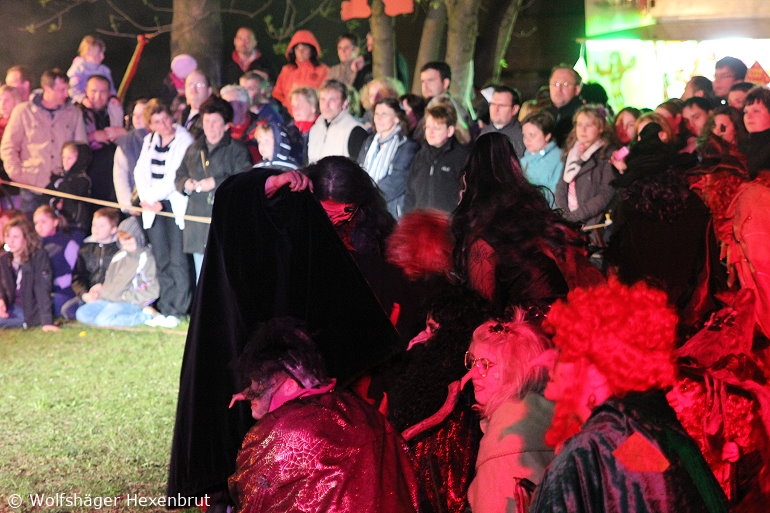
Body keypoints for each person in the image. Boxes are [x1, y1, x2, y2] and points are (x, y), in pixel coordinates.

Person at [530, 278, 729, 513]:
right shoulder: (633, 435)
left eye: (564, 352)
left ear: (597, 374)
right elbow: (654, 492)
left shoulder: (595, 446)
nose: (548, 362)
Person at [227, 317, 420, 513]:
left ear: (289, 384)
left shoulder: (282, 431)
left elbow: (254, 499)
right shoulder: (359, 411)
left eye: (258, 382)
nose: (249, 392)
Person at [452, 132, 600, 316]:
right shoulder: (534, 219)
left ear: (472, 187)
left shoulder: (484, 240)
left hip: (530, 326)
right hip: (565, 320)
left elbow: (482, 309)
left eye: (464, 187)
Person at [466, 314, 555, 513]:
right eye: (472, 362)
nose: (473, 374)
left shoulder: (507, 436)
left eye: (485, 364)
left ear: (517, 369)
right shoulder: (545, 412)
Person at [175, 96, 251, 281]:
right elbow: (179, 175)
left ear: (226, 125)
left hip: (225, 223)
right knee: (202, 277)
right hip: (197, 223)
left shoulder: (237, 150)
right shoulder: (194, 149)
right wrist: (185, 183)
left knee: (226, 277)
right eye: (206, 121)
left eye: (215, 121)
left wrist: (217, 183)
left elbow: (245, 180)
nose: (210, 126)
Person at [133, 98, 194, 328]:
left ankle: (180, 308)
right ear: (151, 125)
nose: (164, 125)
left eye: (166, 119)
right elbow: (140, 171)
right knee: (162, 258)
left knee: (178, 259)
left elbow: (174, 175)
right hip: (153, 206)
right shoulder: (149, 140)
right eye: (157, 122)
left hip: (173, 204)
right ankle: (167, 307)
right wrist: (147, 199)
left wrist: (154, 198)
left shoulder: (184, 140)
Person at [1, 68, 87, 214]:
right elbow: (8, 146)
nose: (66, 94)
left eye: (67, 89)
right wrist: (17, 174)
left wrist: (71, 180)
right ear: (47, 88)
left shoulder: (74, 113)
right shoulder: (23, 111)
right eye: (61, 90)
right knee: (30, 226)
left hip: (62, 189)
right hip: (32, 186)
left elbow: (82, 150)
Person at [75, 216, 159, 327]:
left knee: (104, 320)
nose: (126, 246)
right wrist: (102, 289)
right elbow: (110, 280)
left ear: (139, 238)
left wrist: (127, 297)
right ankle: (112, 319)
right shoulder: (119, 256)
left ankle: (146, 316)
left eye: (129, 241)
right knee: (82, 313)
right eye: (123, 242)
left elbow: (153, 289)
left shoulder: (146, 258)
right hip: (108, 300)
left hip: (130, 302)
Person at [556, 104, 618, 228]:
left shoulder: (607, 154)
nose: (582, 130)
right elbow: (561, 186)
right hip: (570, 220)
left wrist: (575, 216)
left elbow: (606, 194)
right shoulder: (572, 152)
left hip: (593, 222)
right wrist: (564, 214)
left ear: (601, 128)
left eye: (589, 125)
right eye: (579, 124)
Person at [357, 97, 419, 219]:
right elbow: (359, 170)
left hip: (390, 211)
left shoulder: (406, 146)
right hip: (365, 209)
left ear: (397, 118)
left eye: (384, 114)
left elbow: (396, 181)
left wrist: (368, 196)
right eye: (377, 114)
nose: (379, 118)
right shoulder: (369, 142)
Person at [403, 102, 469, 214]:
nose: (430, 132)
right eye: (428, 127)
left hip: (447, 221)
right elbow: (410, 193)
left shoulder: (462, 157)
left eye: (437, 128)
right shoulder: (420, 156)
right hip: (420, 220)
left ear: (450, 131)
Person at [61, 207, 120, 320]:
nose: (96, 229)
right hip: (90, 295)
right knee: (67, 310)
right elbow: (77, 277)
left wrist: (104, 288)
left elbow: (121, 277)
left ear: (113, 229)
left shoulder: (119, 249)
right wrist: (84, 294)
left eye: (102, 226)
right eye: (94, 225)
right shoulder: (85, 249)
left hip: (110, 294)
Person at [0, 216, 58, 331]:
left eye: (15, 237)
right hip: (11, 306)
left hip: (29, 310)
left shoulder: (38, 257)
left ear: (26, 238)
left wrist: (46, 321)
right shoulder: (4, 259)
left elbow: (42, 289)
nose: (11, 241)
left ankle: (25, 322)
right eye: (8, 236)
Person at [33, 205, 79, 317]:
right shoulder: (34, 245)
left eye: (43, 222)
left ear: (55, 222)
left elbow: (74, 273)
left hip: (61, 292)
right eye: (36, 223)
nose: (39, 226)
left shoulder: (68, 244)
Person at [307, 79, 367, 163]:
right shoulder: (315, 129)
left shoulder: (355, 131)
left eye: (332, 100)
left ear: (345, 103)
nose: (326, 105)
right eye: (323, 99)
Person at [271, 29, 328, 112]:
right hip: (289, 115)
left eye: (305, 48)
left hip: (313, 114)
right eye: (297, 48)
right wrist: (286, 106)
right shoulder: (287, 70)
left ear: (312, 50)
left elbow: (326, 95)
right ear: (293, 51)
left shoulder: (322, 70)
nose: (301, 52)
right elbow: (277, 94)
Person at [45, 141, 92, 237]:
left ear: (79, 159)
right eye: (63, 157)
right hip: (59, 223)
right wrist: (55, 202)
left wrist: (61, 182)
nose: (65, 162)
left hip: (76, 224)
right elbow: (47, 195)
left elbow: (72, 195)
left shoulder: (83, 180)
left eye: (69, 158)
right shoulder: (59, 178)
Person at [520, 110, 563, 206]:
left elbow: (557, 194)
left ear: (547, 136)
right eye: (524, 135)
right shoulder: (526, 157)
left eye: (532, 135)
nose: (527, 140)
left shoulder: (558, 159)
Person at [113, 98, 149, 213]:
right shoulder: (126, 143)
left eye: (142, 114)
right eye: (135, 114)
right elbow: (120, 176)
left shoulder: (162, 138)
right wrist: (128, 205)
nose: (137, 118)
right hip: (136, 205)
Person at [66, 35, 116, 103]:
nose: (102, 57)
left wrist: (113, 97)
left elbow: (111, 89)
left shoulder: (104, 70)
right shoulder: (77, 69)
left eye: (103, 53)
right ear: (88, 53)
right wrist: (82, 99)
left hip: (102, 103)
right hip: (80, 103)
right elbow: (72, 88)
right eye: (99, 53)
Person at [479, 84, 525, 158]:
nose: (495, 109)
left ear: (514, 109)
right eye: (493, 104)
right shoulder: (484, 132)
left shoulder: (523, 136)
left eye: (501, 105)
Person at [547, 64, 584, 148]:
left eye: (565, 84)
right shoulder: (543, 114)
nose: (558, 89)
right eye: (555, 84)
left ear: (577, 89)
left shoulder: (584, 116)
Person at [180, 70, 213, 139]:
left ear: (209, 91)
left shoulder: (213, 117)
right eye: (190, 85)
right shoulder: (181, 115)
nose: (194, 89)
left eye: (199, 85)